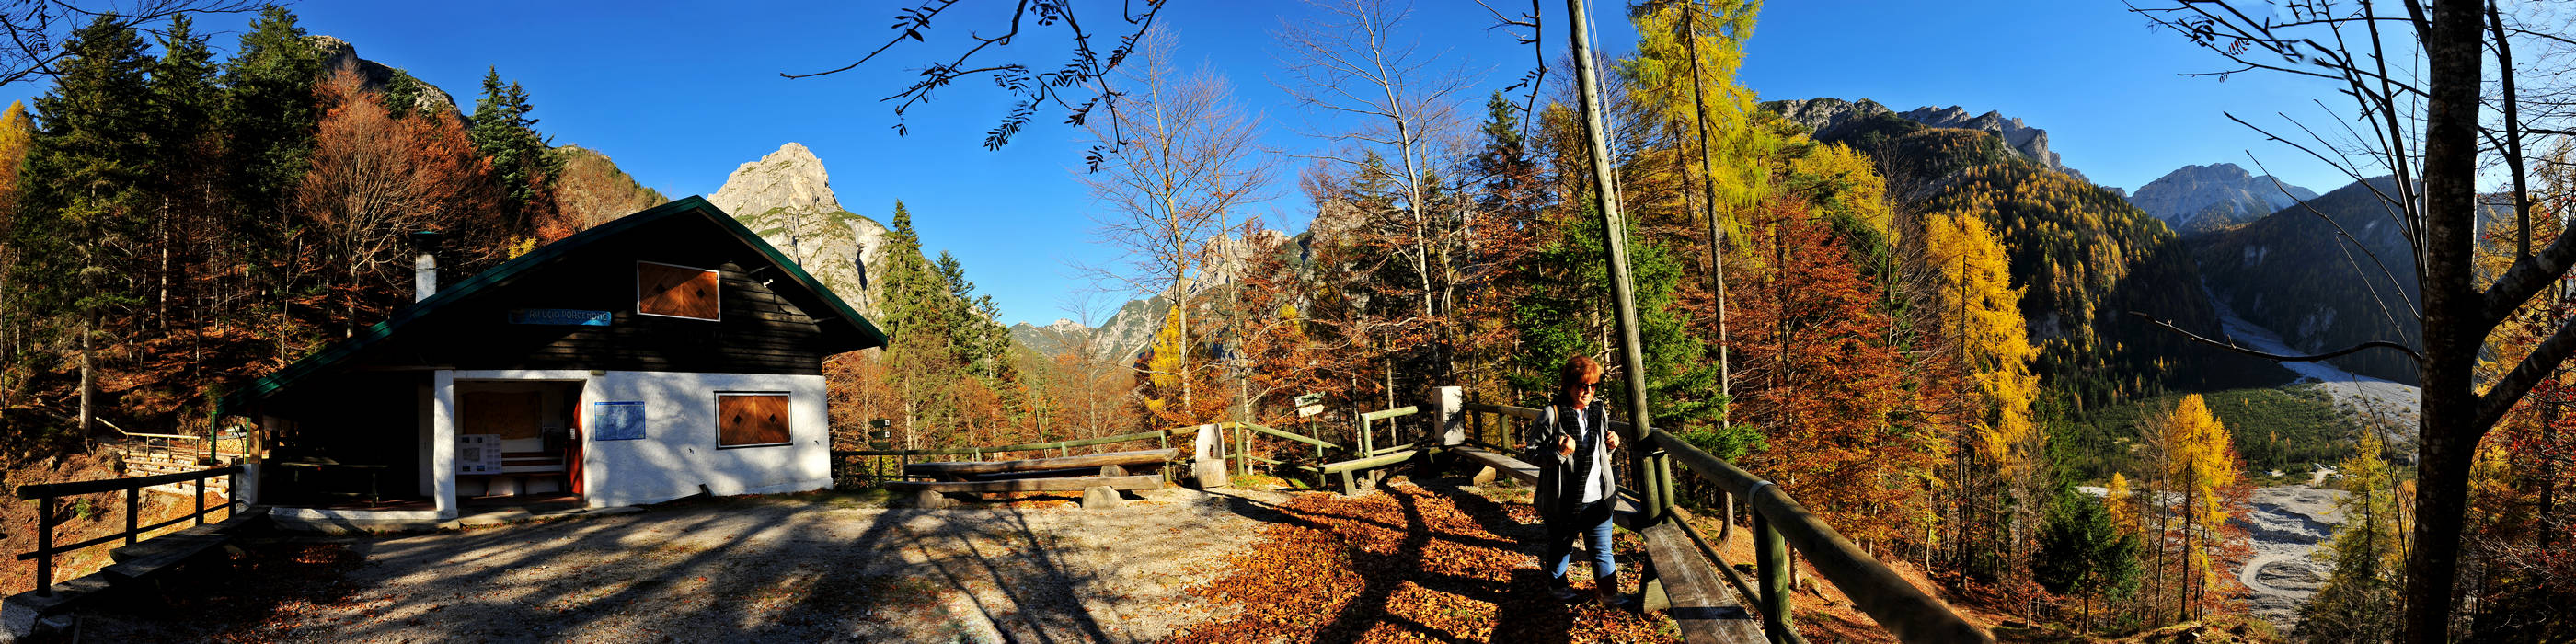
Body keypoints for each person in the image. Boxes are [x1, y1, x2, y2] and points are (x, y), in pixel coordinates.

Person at [1529, 354, 1625, 605]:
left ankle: (1609, 594)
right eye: (1582, 385)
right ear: (1569, 385)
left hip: (1598, 497)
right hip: (1563, 500)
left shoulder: (1598, 410)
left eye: (1593, 386)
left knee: (1602, 550)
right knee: (1561, 548)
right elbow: (1531, 453)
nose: (1588, 391)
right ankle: (1558, 587)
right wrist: (1559, 453)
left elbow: (1598, 453)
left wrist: (1611, 446)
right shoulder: (1552, 414)